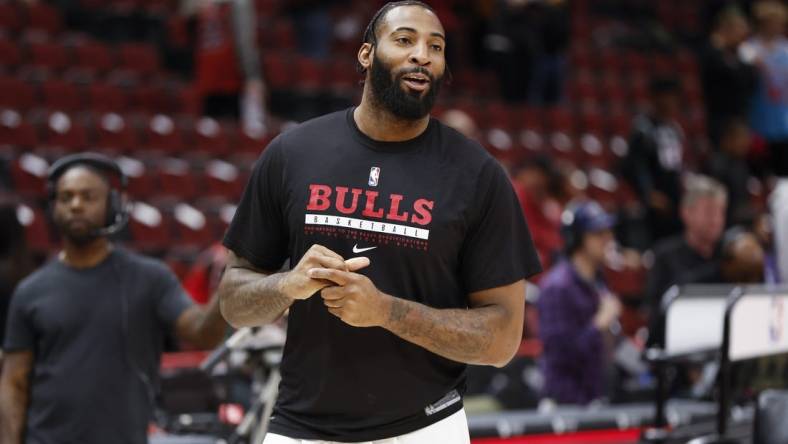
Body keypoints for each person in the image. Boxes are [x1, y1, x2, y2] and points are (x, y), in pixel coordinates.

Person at [217, 2, 542, 442]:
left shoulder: (478, 176)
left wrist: (385, 311)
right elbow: (233, 301)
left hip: (425, 427)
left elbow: (503, 339)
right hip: (301, 426)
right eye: (405, 40)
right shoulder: (293, 154)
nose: (422, 55)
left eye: (436, 47)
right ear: (367, 54)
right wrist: (287, 285)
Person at [0, 153, 227, 444]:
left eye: (88, 196)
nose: (76, 205)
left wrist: (227, 290)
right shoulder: (30, 291)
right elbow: (13, 383)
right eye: (66, 197)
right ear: (53, 207)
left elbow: (202, 333)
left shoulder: (151, 278)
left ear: (113, 204)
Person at [537, 200, 622, 405]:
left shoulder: (599, 281)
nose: (608, 239)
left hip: (597, 397)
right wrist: (599, 323)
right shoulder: (557, 287)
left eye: (608, 232)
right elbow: (560, 356)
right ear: (576, 239)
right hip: (567, 408)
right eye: (598, 234)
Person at [645, 175, 728, 348]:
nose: (716, 219)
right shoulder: (664, 256)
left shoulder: (729, 255)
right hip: (680, 350)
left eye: (720, 211)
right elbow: (657, 317)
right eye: (709, 211)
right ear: (686, 213)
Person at [621, 76, 686, 244]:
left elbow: (676, 166)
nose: (671, 102)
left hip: (673, 197)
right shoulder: (643, 127)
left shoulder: (675, 129)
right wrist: (648, 192)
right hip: (652, 202)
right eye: (667, 96)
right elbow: (634, 164)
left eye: (674, 97)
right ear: (655, 98)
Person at [739, 1, 788, 177]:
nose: (777, 27)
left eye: (780, 22)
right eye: (772, 22)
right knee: (759, 174)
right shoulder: (748, 49)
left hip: (783, 122)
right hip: (757, 121)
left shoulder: (786, 49)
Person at [699, 6, 758, 144]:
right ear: (725, 29)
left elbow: (750, 81)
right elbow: (728, 76)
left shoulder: (741, 54)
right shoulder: (711, 52)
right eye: (740, 29)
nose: (744, 34)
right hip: (719, 118)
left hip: (739, 115)